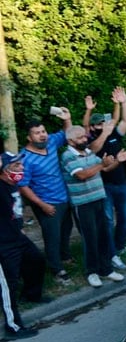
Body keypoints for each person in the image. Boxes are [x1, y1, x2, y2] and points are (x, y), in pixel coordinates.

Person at [61, 126, 126, 287]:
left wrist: (117, 160)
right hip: (82, 203)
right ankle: (92, 272)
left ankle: (106, 270)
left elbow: (104, 167)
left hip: (99, 198)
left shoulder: (89, 152)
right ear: (70, 141)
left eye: (84, 136)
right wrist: (101, 164)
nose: (85, 139)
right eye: (80, 138)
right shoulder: (67, 156)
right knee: (90, 238)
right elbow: (82, 175)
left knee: (104, 235)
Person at [18, 113, 74, 286]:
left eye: (43, 131)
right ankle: (57, 270)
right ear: (29, 137)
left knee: (66, 229)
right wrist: (42, 205)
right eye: (37, 132)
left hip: (64, 197)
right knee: (52, 237)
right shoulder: (24, 158)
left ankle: (65, 256)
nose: (42, 134)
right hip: (47, 203)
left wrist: (67, 119)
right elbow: (23, 185)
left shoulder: (50, 142)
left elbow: (68, 133)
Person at [84, 87, 126, 270]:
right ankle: (111, 254)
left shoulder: (114, 135)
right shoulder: (90, 140)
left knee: (125, 218)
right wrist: (104, 132)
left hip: (121, 183)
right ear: (93, 127)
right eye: (99, 125)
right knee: (107, 221)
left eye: (105, 123)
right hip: (104, 187)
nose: (104, 126)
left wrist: (122, 102)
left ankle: (120, 247)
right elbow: (96, 151)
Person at [0, 153, 46, 338]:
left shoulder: (14, 185)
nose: (21, 168)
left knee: (36, 260)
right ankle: (13, 326)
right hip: (3, 245)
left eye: (21, 165)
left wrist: (19, 228)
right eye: (16, 165)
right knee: (7, 285)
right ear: (4, 170)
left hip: (17, 237)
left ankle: (31, 294)